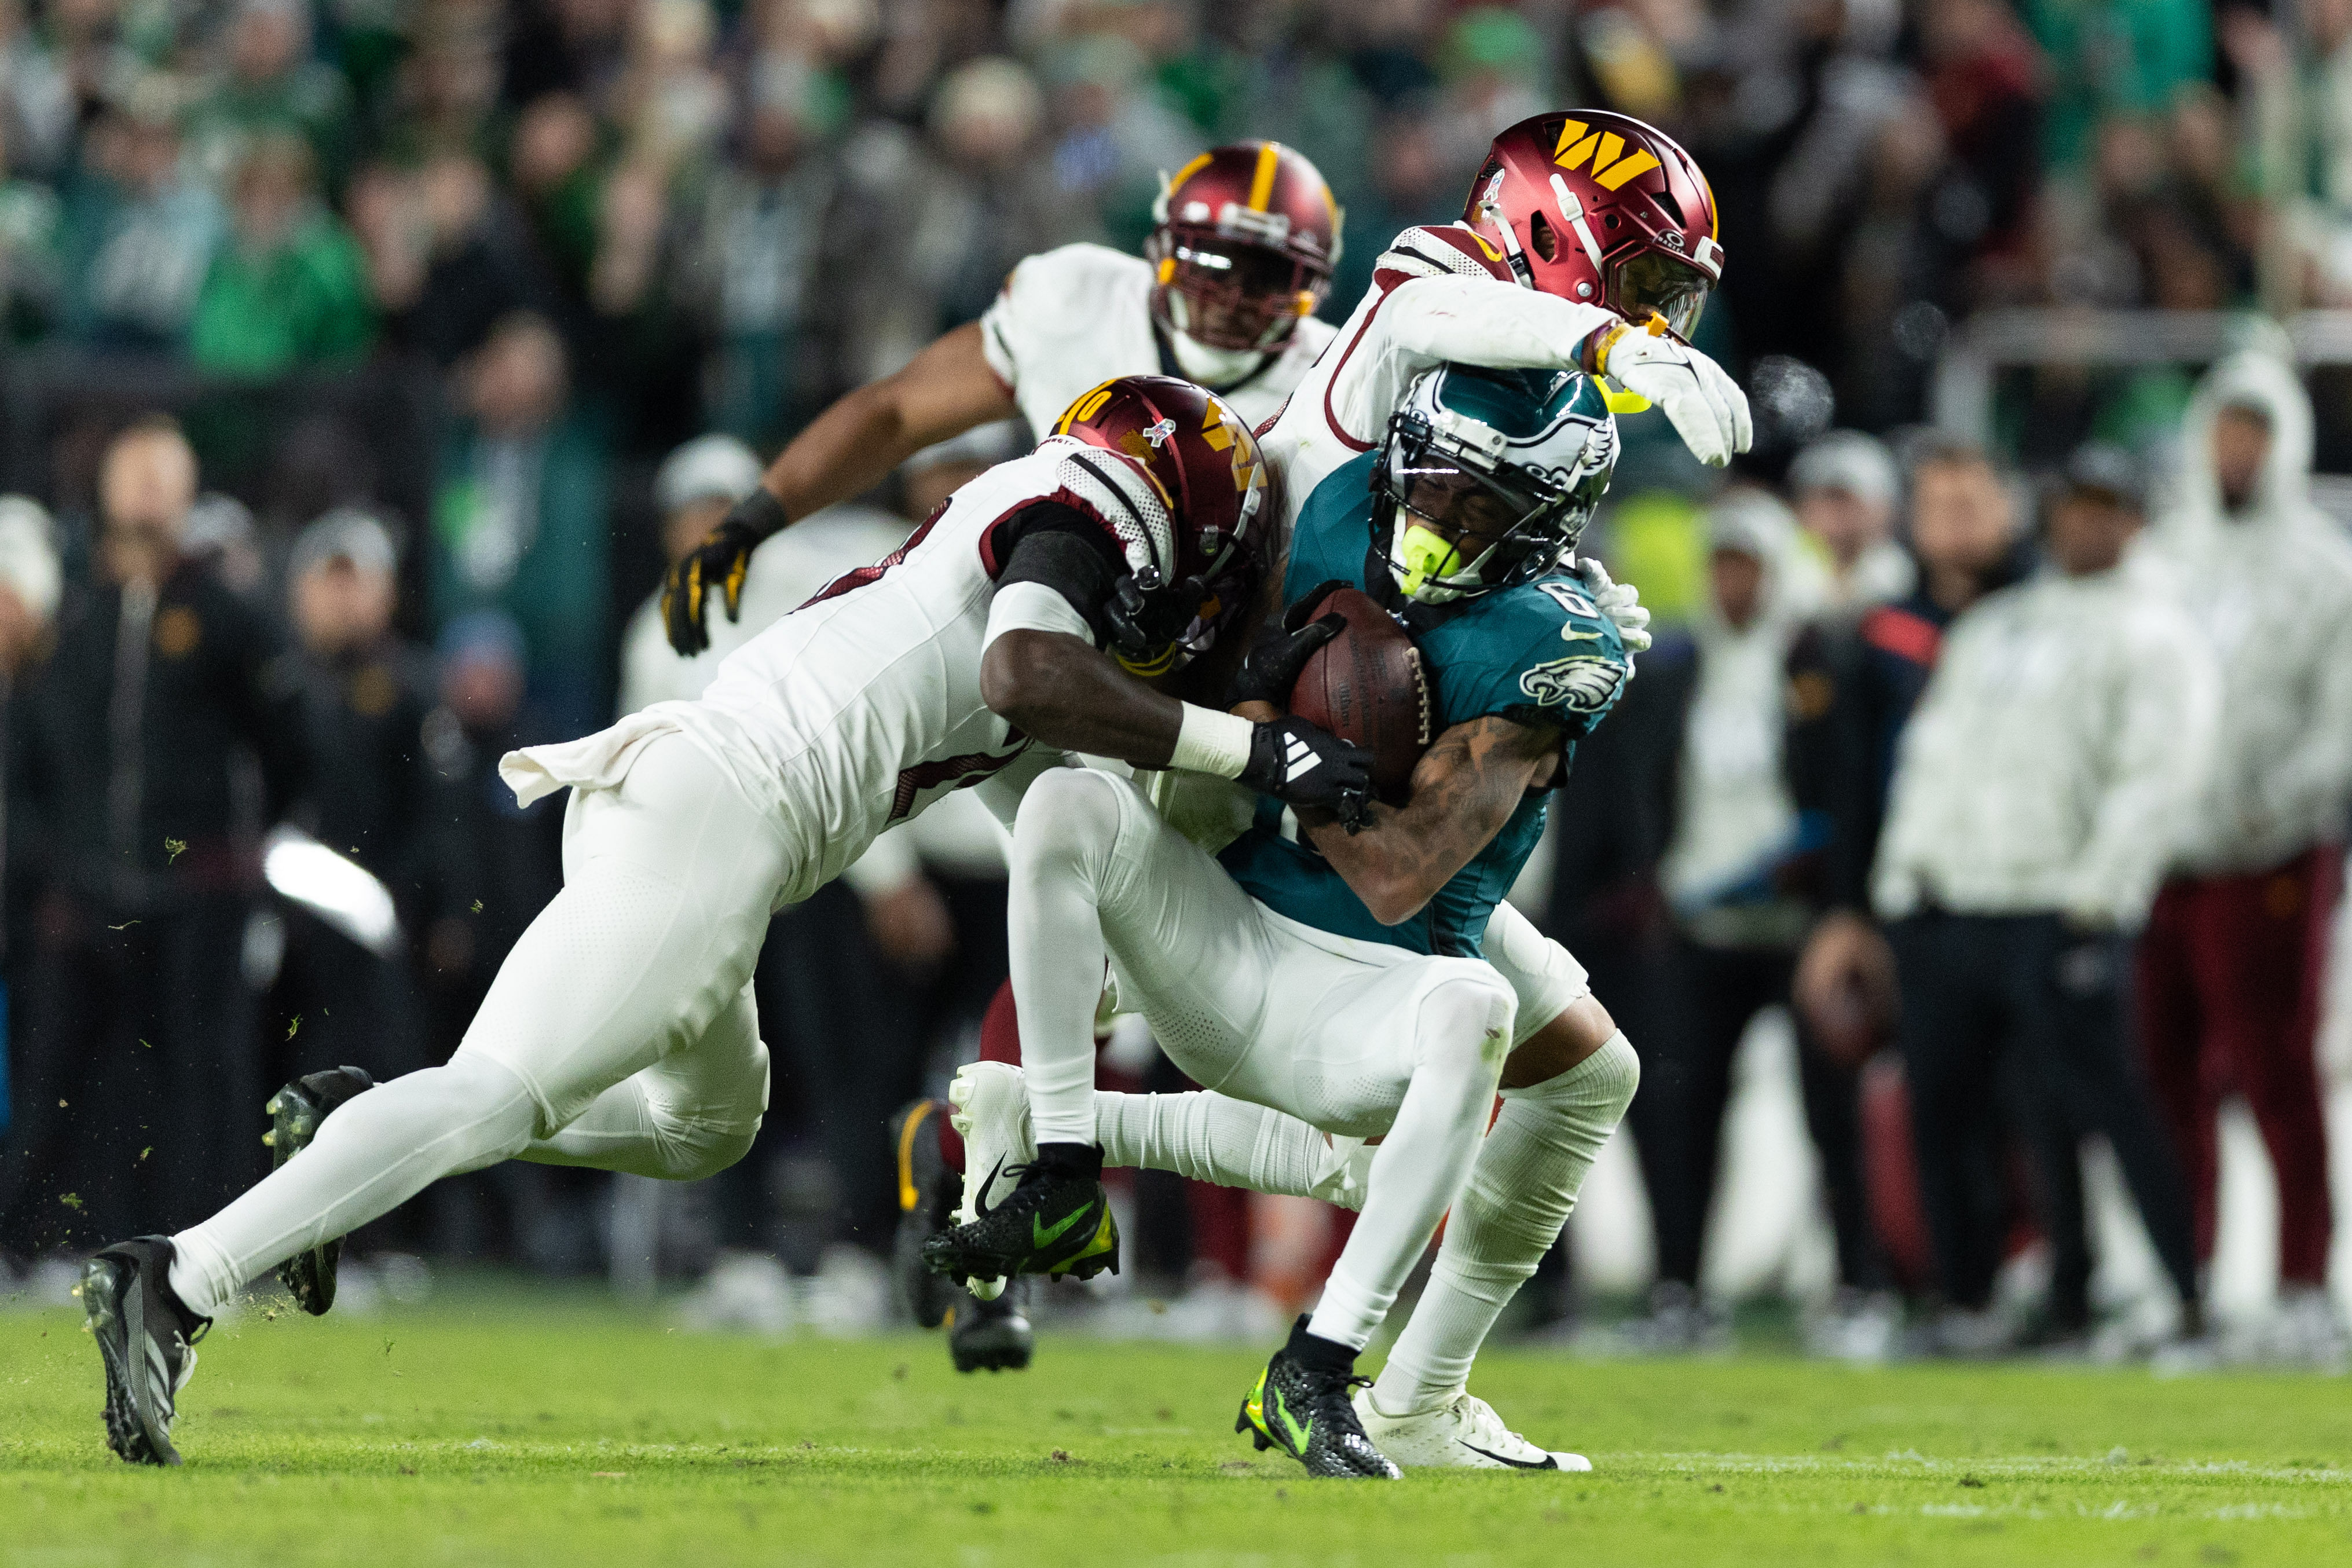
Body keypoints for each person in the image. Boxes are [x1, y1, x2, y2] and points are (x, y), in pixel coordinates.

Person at [76, 376, 1360, 1468]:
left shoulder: (1033, 598)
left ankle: (362, 1123)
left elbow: (1066, 812)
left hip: (711, 819)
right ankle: (176, 1278)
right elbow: (1036, 676)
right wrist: (1260, 758)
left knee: (704, 1125)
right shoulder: (1074, 517)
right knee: (497, 1094)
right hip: (718, 810)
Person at [928, 109, 1749, 1476]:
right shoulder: (1401, 368)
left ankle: (1413, 1390)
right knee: (1087, 814)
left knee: (1573, 1072)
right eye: (1642, 279)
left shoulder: (1533, 592)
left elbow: (1406, 863)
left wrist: (1348, 736)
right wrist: (1272, 725)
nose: (1438, 512)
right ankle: (1071, 1151)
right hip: (1237, 778)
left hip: (1358, 851)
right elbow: (1444, 308)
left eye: (1486, 506)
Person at [1874, 445, 2215, 1355]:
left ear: (2136, 520)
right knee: (1947, 1111)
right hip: (1955, 902)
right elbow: (1933, 758)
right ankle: (1972, 1302)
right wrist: (1902, 880)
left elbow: (2155, 780)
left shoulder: (2155, 631)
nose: (2081, 523)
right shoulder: (2000, 623)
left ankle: (2179, 1297)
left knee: (2102, 1108)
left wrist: (2101, 898)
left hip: (2059, 902)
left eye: (2103, 508)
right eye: (2069, 506)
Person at [0, 417, 306, 1257]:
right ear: (104, 489)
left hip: (199, 887)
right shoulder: (80, 613)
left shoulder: (226, 611)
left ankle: (211, 1252)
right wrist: (58, 866)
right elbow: (38, 756)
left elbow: (288, 736)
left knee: (205, 1079)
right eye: (129, 470)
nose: (143, 488)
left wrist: (250, 849)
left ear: (187, 488)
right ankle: (63, 1244)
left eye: (160, 472)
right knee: (81, 1079)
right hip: (90, 892)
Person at [2136, 352, 2352, 1366]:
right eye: (2223, 427)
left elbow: (2338, 718)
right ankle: (2189, 1281)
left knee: (2274, 1066)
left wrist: (2278, 802)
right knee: (2164, 1069)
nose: (2236, 450)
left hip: (2267, 851)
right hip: (2163, 854)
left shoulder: (2322, 564)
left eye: (2254, 430)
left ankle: (2303, 1280)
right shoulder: (2164, 558)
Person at [1783, 435, 2030, 1324]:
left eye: (1971, 501)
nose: (1955, 521)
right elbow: (1853, 783)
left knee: (2039, 1103)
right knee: (1937, 1098)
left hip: (2032, 887)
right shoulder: (1880, 634)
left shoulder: (2047, 611)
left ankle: (2053, 1278)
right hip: (1920, 895)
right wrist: (1845, 911)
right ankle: (1956, 1291)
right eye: (1938, 504)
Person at [1617, 489, 1827, 1354]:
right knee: (1679, 1108)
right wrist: (1660, 881)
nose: (1732, 581)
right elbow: (1647, 788)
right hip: (1700, 925)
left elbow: (1836, 786)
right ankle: (1678, 1287)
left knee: (1832, 1111)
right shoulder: (1675, 668)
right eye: (1721, 563)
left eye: (1748, 564)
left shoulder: (1815, 660)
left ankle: (1854, 1286)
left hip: (1799, 924)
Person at [1787, 430, 1913, 610]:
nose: (1833, 513)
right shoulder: (1784, 568)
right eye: (1825, 498)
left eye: (1844, 499)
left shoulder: (1895, 574)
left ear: (1882, 509)